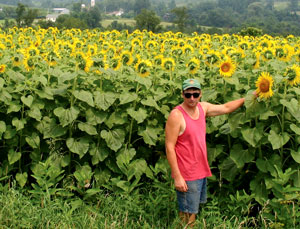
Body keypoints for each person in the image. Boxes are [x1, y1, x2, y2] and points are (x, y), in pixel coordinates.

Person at [165, 78, 245, 227]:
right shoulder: (177, 115)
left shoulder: (203, 108)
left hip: (200, 169)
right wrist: (177, 177)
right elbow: (169, 146)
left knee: (192, 210)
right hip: (187, 172)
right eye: (188, 95)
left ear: (201, 94)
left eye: (195, 94)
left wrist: (247, 98)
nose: (192, 98)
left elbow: (226, 108)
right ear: (182, 95)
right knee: (187, 213)